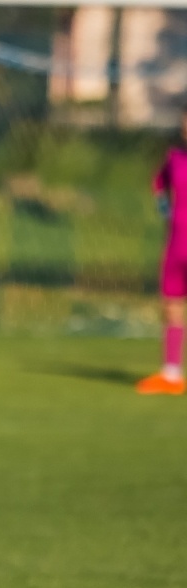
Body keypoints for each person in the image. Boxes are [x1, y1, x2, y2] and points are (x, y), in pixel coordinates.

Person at [137, 107, 187, 396]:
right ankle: (171, 375)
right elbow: (158, 184)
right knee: (172, 305)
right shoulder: (174, 158)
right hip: (177, 243)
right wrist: (165, 209)